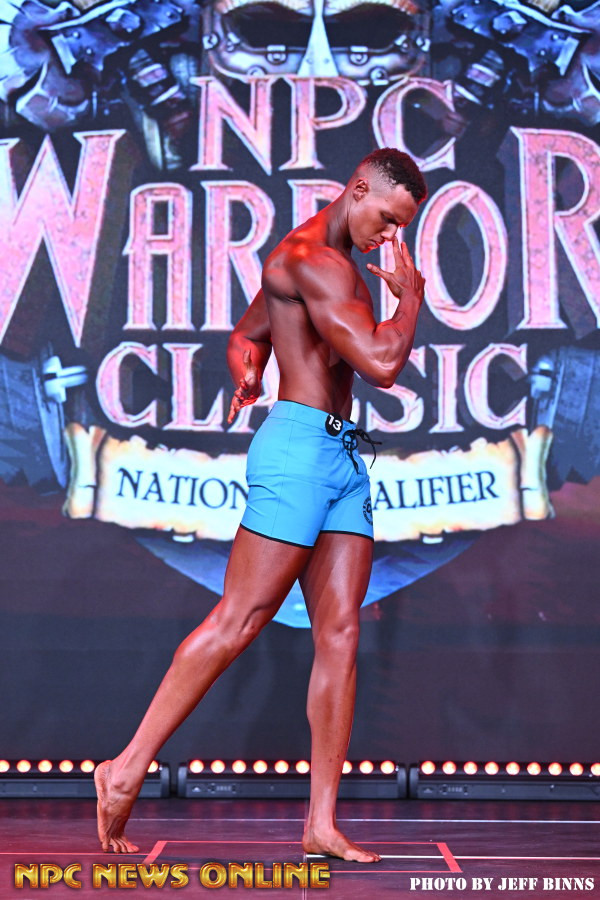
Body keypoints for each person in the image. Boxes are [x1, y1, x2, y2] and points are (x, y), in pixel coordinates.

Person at [95, 147, 427, 863]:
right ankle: (124, 768)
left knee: (340, 634)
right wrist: (412, 298)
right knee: (239, 619)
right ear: (357, 189)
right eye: (386, 218)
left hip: (341, 454)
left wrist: (247, 370)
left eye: (401, 227)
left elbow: (248, 333)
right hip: (299, 451)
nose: (389, 236)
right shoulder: (314, 259)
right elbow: (382, 364)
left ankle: (321, 824)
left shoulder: (321, 261)